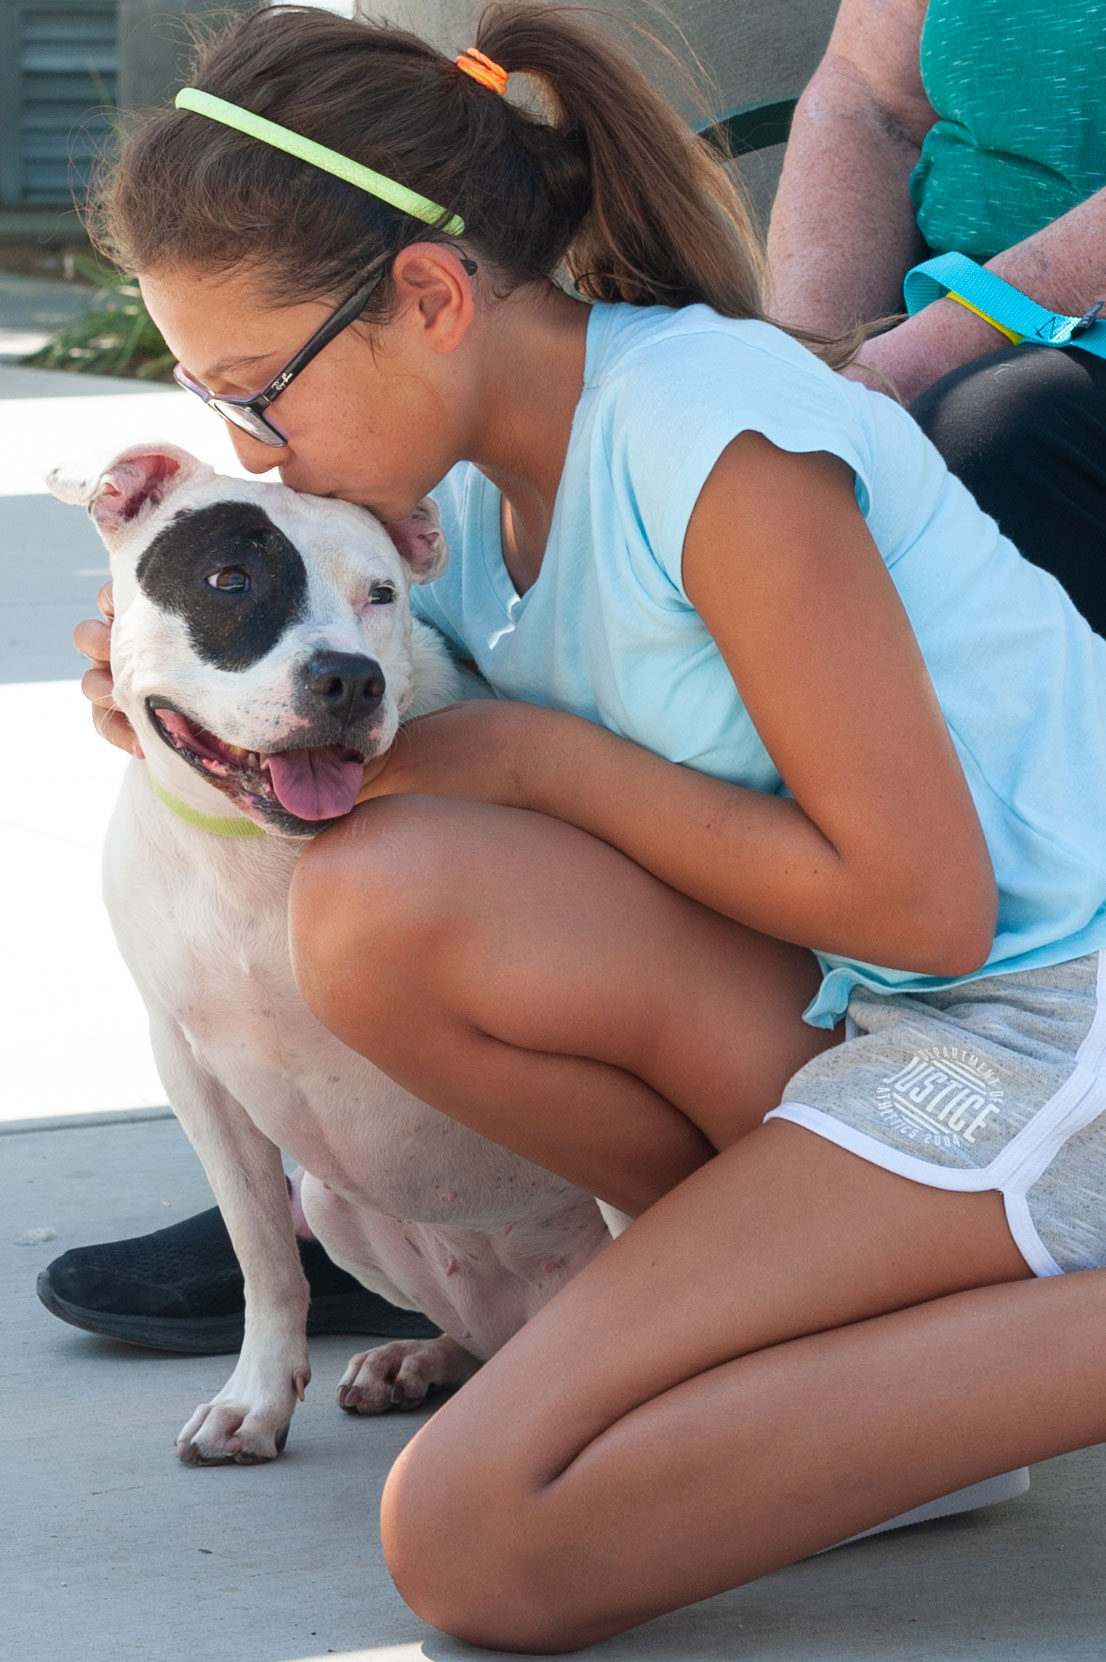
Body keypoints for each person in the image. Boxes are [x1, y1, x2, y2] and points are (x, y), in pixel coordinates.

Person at [58, 3, 1106, 1649]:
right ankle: (886, 1355)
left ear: (426, 295)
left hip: (1042, 1025)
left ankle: (954, 1321)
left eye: (256, 391)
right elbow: (366, 770)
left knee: (477, 1537)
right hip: (865, 1025)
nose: (249, 449)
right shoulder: (455, 513)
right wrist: (159, 687)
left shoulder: (716, 439)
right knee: (381, 900)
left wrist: (540, 767)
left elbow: (933, 911)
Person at [767, 0, 1106, 633]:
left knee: (979, 445)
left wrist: (923, 357)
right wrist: (808, 372)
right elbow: (868, 101)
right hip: (935, 322)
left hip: (1037, 357)